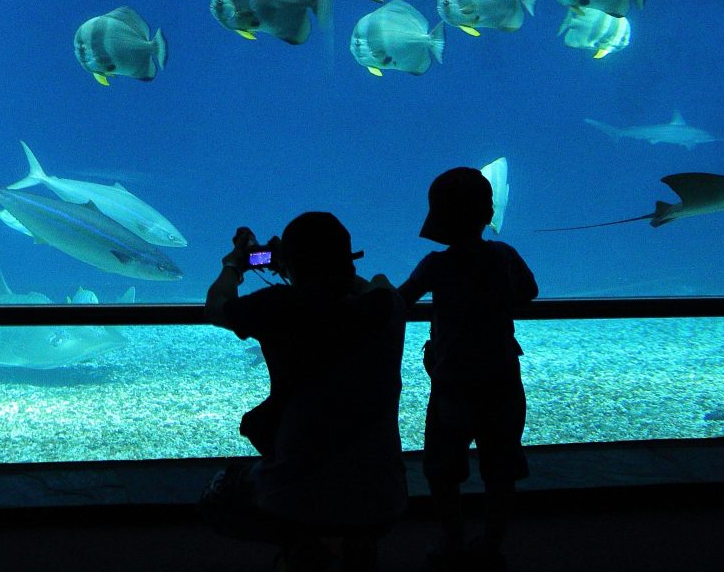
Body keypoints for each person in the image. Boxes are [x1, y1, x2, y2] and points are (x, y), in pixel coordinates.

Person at [205, 212, 407, 572]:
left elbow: (217, 304)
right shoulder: (386, 305)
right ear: (347, 259)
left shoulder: (280, 307)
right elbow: (366, 286)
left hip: (296, 497)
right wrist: (302, 267)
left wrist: (236, 262)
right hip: (384, 497)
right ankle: (355, 549)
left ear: (291, 264)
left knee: (218, 494)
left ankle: (303, 549)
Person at [398, 167, 539, 572]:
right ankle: (492, 546)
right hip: (502, 379)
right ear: (486, 212)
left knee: (443, 468)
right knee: (500, 468)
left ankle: (452, 541)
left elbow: (401, 300)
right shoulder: (504, 254)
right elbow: (530, 292)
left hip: (453, 383)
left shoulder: (436, 265)